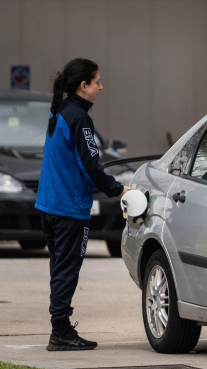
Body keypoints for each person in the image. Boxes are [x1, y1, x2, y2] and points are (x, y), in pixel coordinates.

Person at [35, 58, 131, 351]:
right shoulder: (79, 119)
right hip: (69, 211)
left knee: (59, 269)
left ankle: (60, 328)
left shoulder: (62, 112)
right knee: (66, 271)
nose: (101, 87)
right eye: (97, 82)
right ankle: (61, 332)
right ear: (83, 86)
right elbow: (91, 165)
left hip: (50, 207)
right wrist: (119, 190)